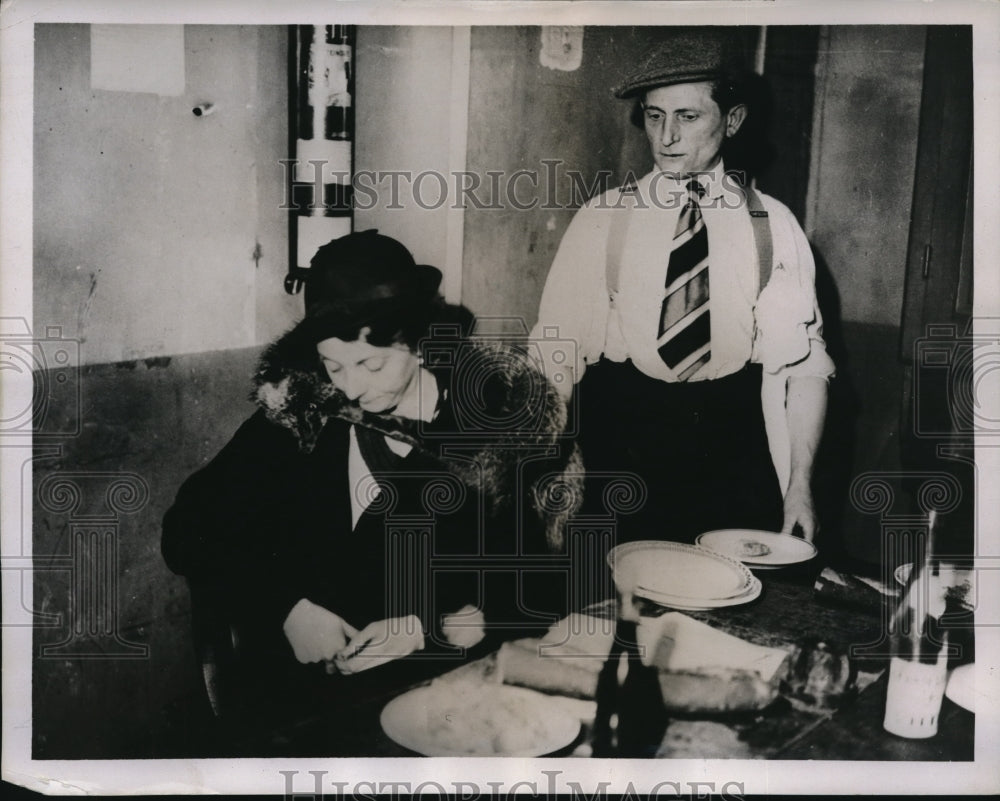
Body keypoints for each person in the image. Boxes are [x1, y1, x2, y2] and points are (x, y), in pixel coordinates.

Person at [162, 230, 579, 739]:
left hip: (443, 691)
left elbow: (544, 580)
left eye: (371, 364)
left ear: (422, 343)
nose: (351, 387)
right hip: (305, 695)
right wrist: (286, 607)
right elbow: (187, 528)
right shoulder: (302, 416)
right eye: (333, 366)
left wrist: (430, 628)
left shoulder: (495, 433)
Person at [531, 30, 835, 545]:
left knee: (729, 606)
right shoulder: (605, 216)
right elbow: (555, 353)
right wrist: (542, 466)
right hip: (623, 445)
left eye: (688, 117)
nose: (666, 136)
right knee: (616, 607)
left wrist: (799, 485)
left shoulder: (773, 225)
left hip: (730, 447)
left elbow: (804, 370)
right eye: (654, 116)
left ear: (732, 121)